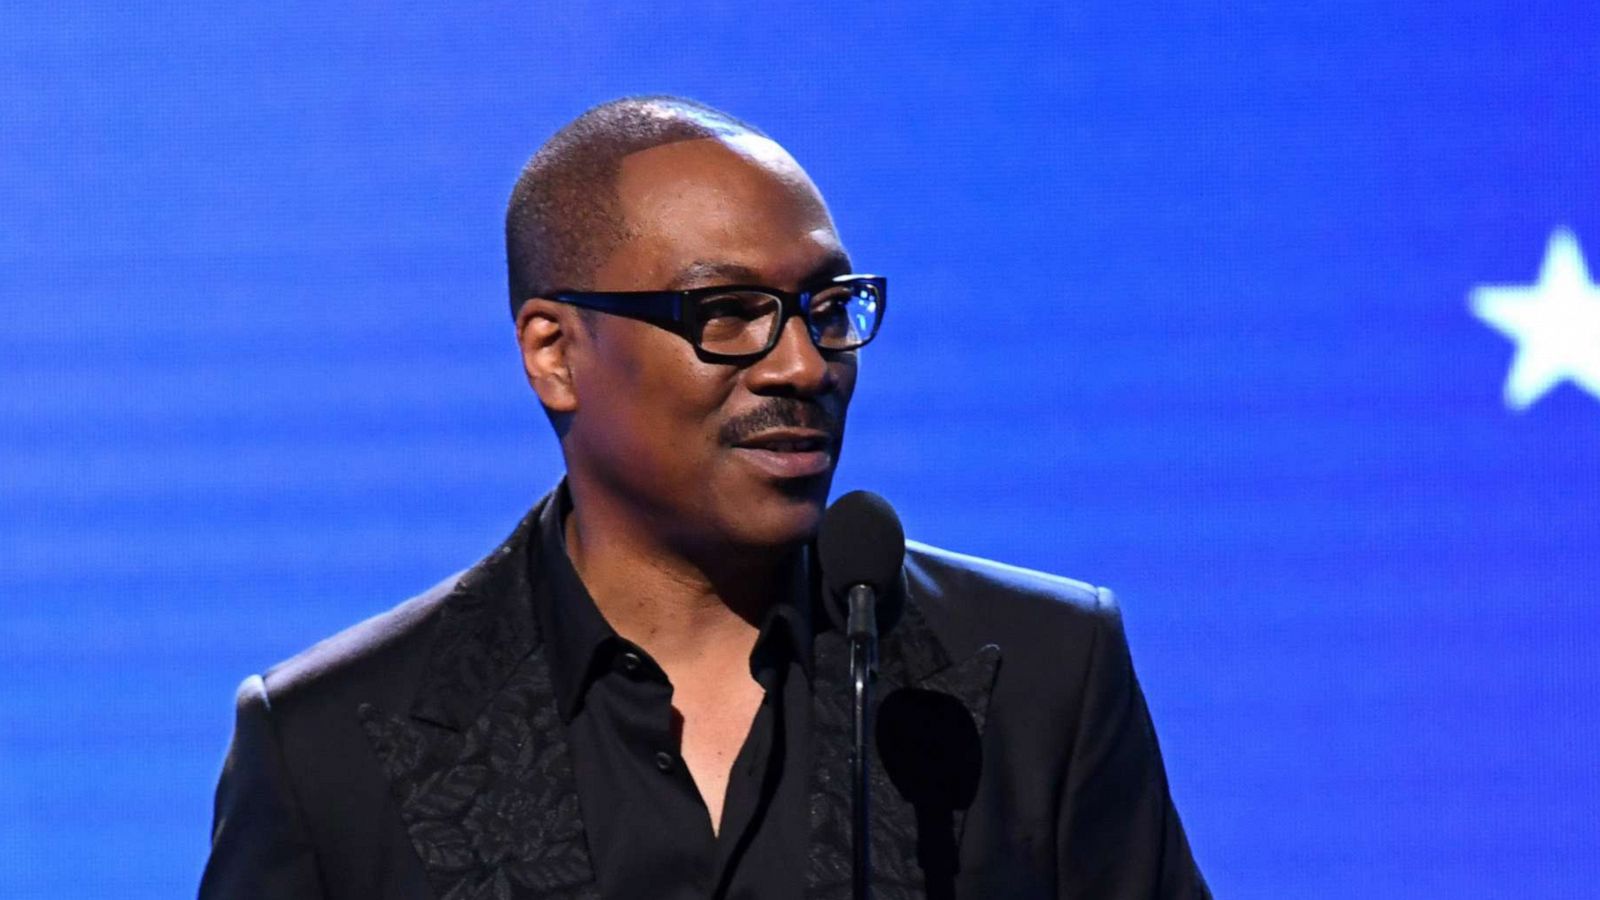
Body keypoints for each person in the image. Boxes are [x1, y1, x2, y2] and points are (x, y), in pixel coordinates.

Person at [199, 95, 1210, 900]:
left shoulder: (1042, 675)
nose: (805, 366)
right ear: (555, 354)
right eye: (731, 313)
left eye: (828, 308)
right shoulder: (328, 747)